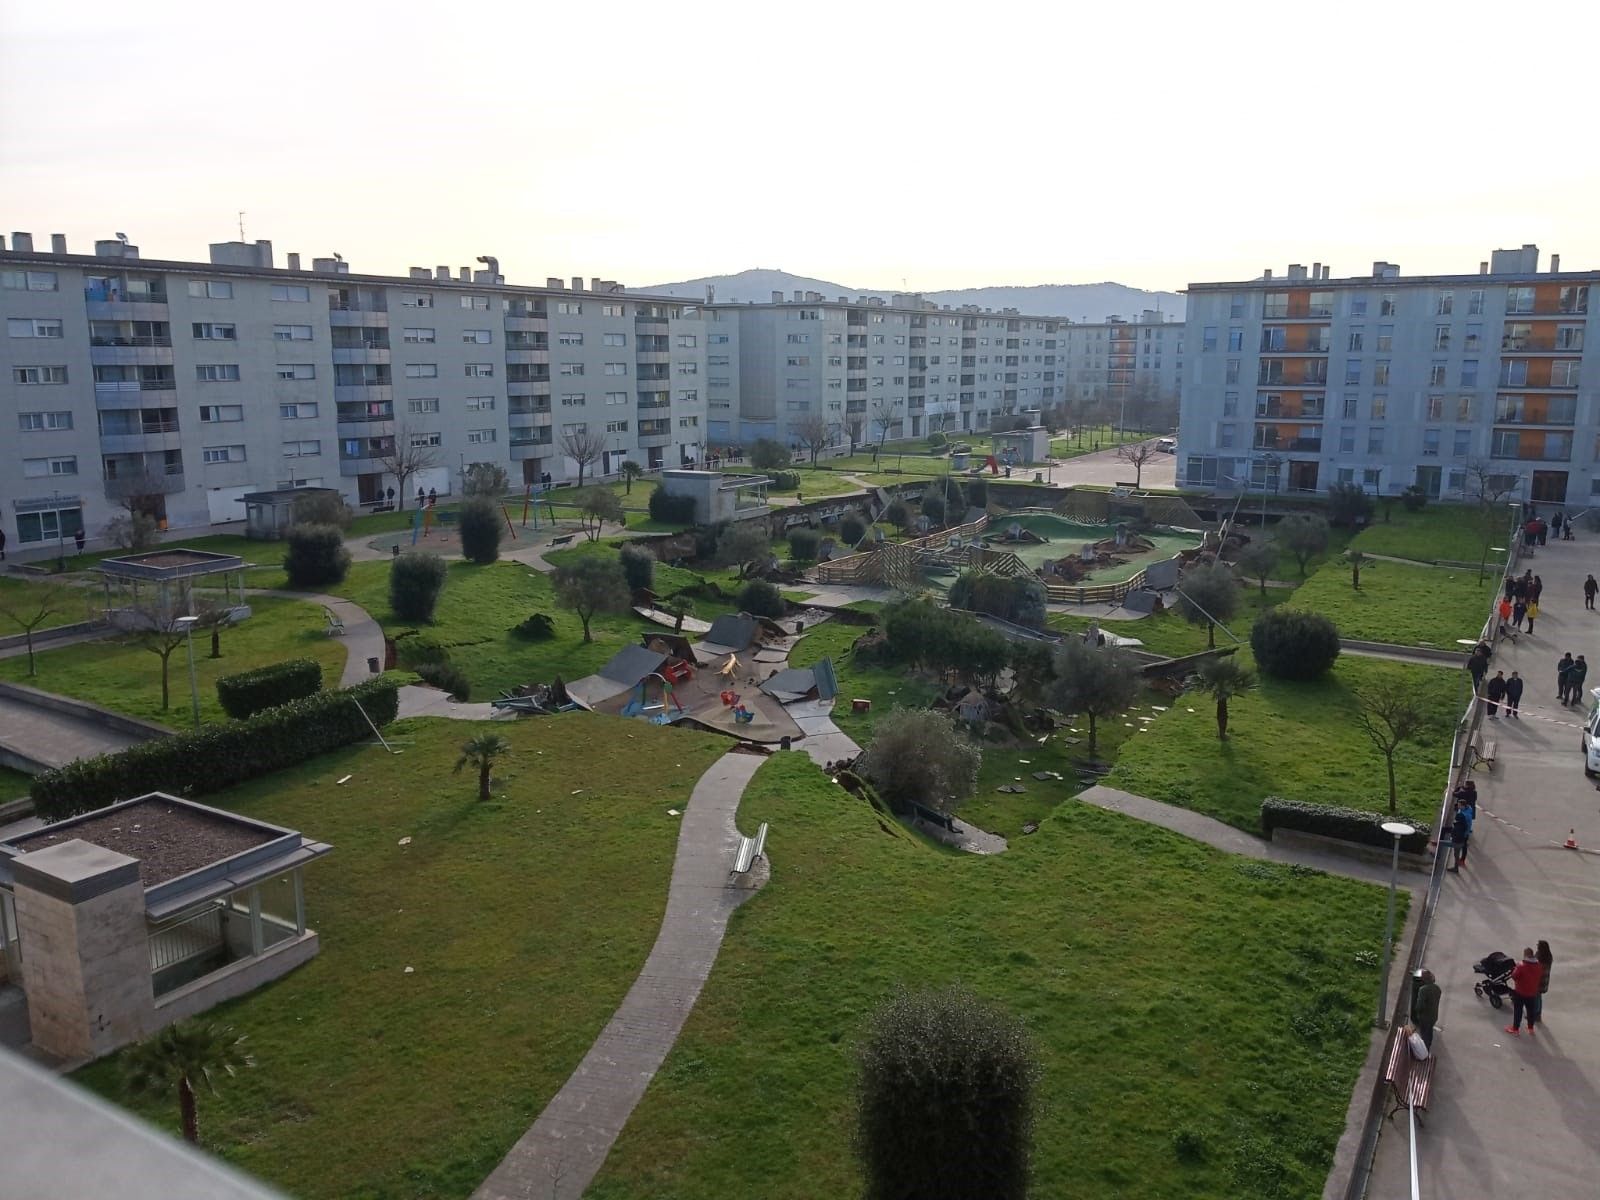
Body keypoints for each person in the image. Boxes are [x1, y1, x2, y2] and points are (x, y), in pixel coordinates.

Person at [1506, 947, 1542, 1036]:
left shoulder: (1521, 965)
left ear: (1525, 954)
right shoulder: (1538, 965)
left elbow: (1514, 976)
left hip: (1520, 992)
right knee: (1530, 1011)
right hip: (1532, 992)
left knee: (1518, 1010)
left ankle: (1515, 1029)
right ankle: (1530, 1028)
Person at [1410, 969, 1442, 1048]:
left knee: (1424, 1034)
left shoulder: (1423, 990)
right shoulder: (1437, 989)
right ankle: (1428, 1046)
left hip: (1424, 1017)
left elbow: (1419, 1005)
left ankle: (1424, 1050)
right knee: (1429, 1031)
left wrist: (1416, 1012)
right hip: (1434, 1016)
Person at [1446, 794, 1474, 871]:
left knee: (1459, 849)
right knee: (1460, 849)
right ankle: (1457, 865)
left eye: (1459, 805)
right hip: (1462, 834)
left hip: (1462, 835)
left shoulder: (1466, 815)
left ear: (1462, 806)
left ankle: (1457, 866)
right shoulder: (1465, 810)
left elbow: (1468, 826)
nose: (1458, 806)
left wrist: (1465, 834)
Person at [1535, 940, 1553, 1025]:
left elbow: (1535, 967)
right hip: (1544, 980)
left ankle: (1535, 1015)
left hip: (1538, 980)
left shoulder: (1540, 957)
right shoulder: (1548, 956)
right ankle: (1538, 1015)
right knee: (1538, 997)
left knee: (1536, 997)